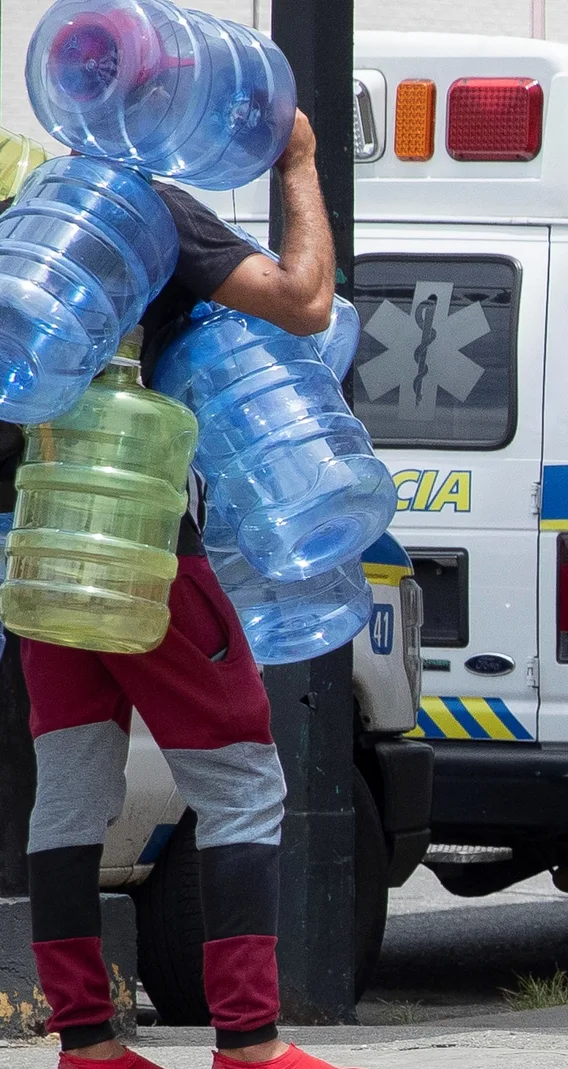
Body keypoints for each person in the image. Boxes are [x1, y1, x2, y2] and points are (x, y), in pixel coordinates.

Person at [23, 111, 356, 1069]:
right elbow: (304, 301)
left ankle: (86, 1041)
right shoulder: (150, 209)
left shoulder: (28, 211)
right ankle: (250, 1043)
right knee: (243, 779)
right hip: (143, 543)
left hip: (46, 540)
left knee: (71, 795)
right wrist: (299, 162)